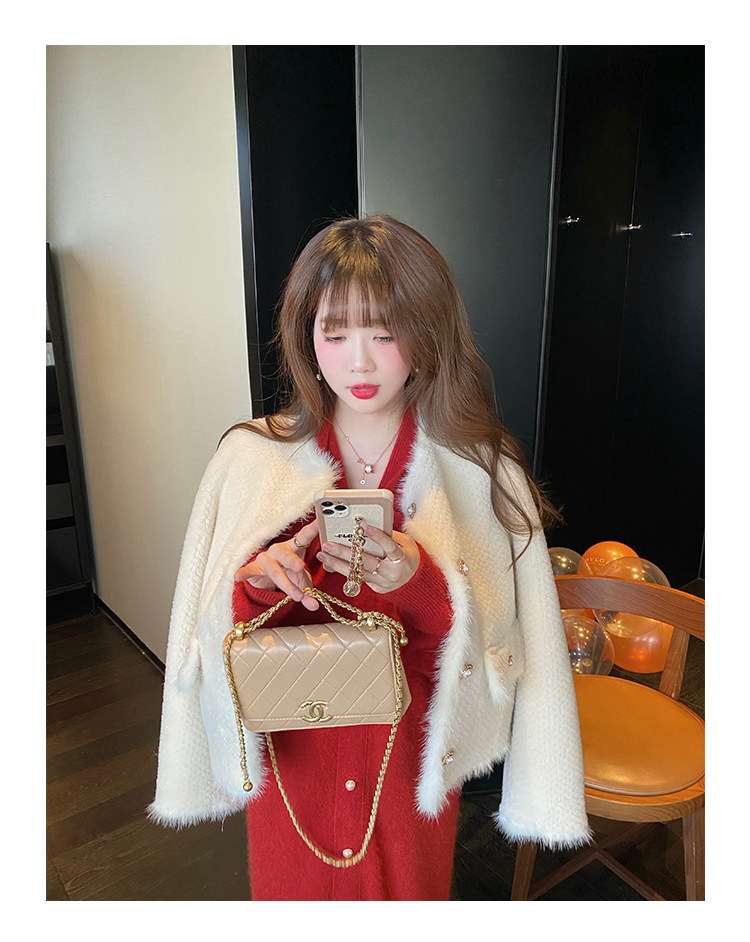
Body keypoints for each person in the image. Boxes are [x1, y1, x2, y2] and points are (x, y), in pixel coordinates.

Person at [148, 214, 590, 900]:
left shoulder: (478, 471)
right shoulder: (251, 461)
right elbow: (207, 637)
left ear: (427, 331)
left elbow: (501, 650)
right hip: (294, 760)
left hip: (409, 763)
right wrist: (259, 585)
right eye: (335, 333)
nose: (359, 361)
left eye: (385, 333)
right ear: (307, 335)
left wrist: (420, 582)